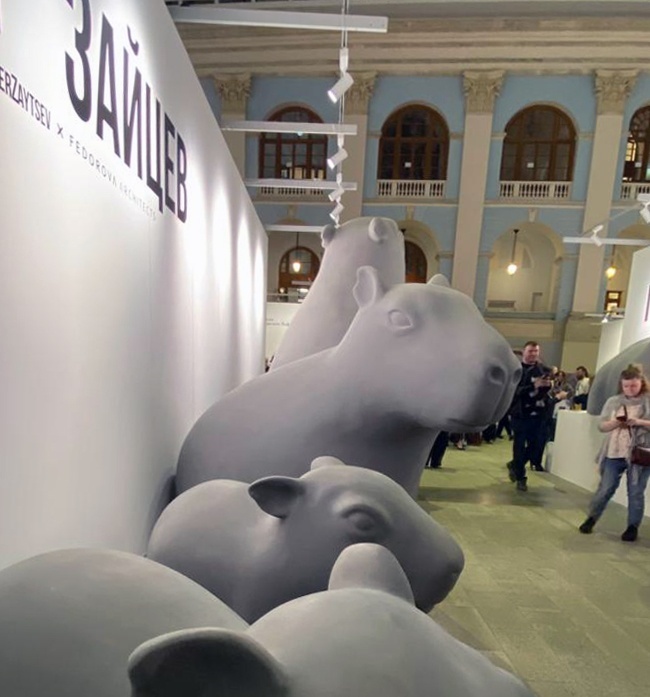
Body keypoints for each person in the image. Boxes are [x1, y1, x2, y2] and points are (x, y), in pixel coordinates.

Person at [578, 364, 650, 542]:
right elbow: (602, 425)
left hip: (639, 451)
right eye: (626, 386)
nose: (630, 389)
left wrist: (639, 422)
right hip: (614, 450)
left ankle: (632, 526)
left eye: (634, 385)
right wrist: (617, 422)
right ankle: (591, 518)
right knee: (606, 488)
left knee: (635, 491)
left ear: (641, 383)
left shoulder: (647, 401)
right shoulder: (614, 401)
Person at [507, 341, 553, 491]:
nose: (534, 354)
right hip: (520, 414)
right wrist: (533, 386)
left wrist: (547, 386)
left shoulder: (542, 370)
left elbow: (546, 390)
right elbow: (514, 391)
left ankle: (515, 465)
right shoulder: (517, 370)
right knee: (519, 447)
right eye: (530, 351)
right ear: (524, 352)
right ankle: (521, 477)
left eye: (536, 351)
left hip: (539, 415)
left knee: (536, 447)